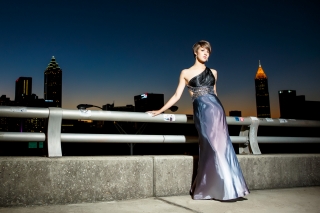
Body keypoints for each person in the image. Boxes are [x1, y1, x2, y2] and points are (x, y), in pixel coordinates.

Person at [147, 40, 249, 200]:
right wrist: (160, 110)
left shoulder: (214, 72)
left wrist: (220, 111)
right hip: (201, 112)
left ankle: (228, 187)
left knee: (222, 147)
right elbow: (176, 96)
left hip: (216, 111)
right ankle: (211, 187)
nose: (206, 53)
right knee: (209, 147)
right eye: (203, 50)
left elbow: (214, 94)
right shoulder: (185, 72)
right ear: (196, 52)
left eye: (208, 51)